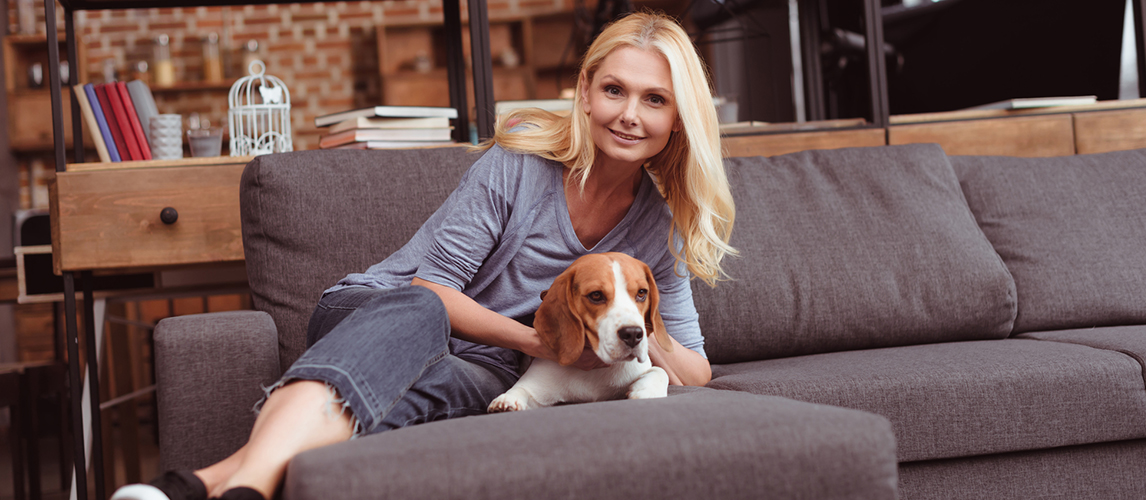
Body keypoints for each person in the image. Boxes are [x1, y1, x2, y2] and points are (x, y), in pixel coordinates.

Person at [112, 10, 735, 500]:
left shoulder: (658, 227)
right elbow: (431, 291)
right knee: (416, 311)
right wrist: (541, 345)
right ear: (585, 92)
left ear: (679, 117)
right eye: (614, 91)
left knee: (414, 402)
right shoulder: (517, 167)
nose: (629, 115)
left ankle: (210, 485)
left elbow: (696, 370)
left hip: (485, 367)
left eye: (654, 99)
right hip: (381, 310)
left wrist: (633, 324)